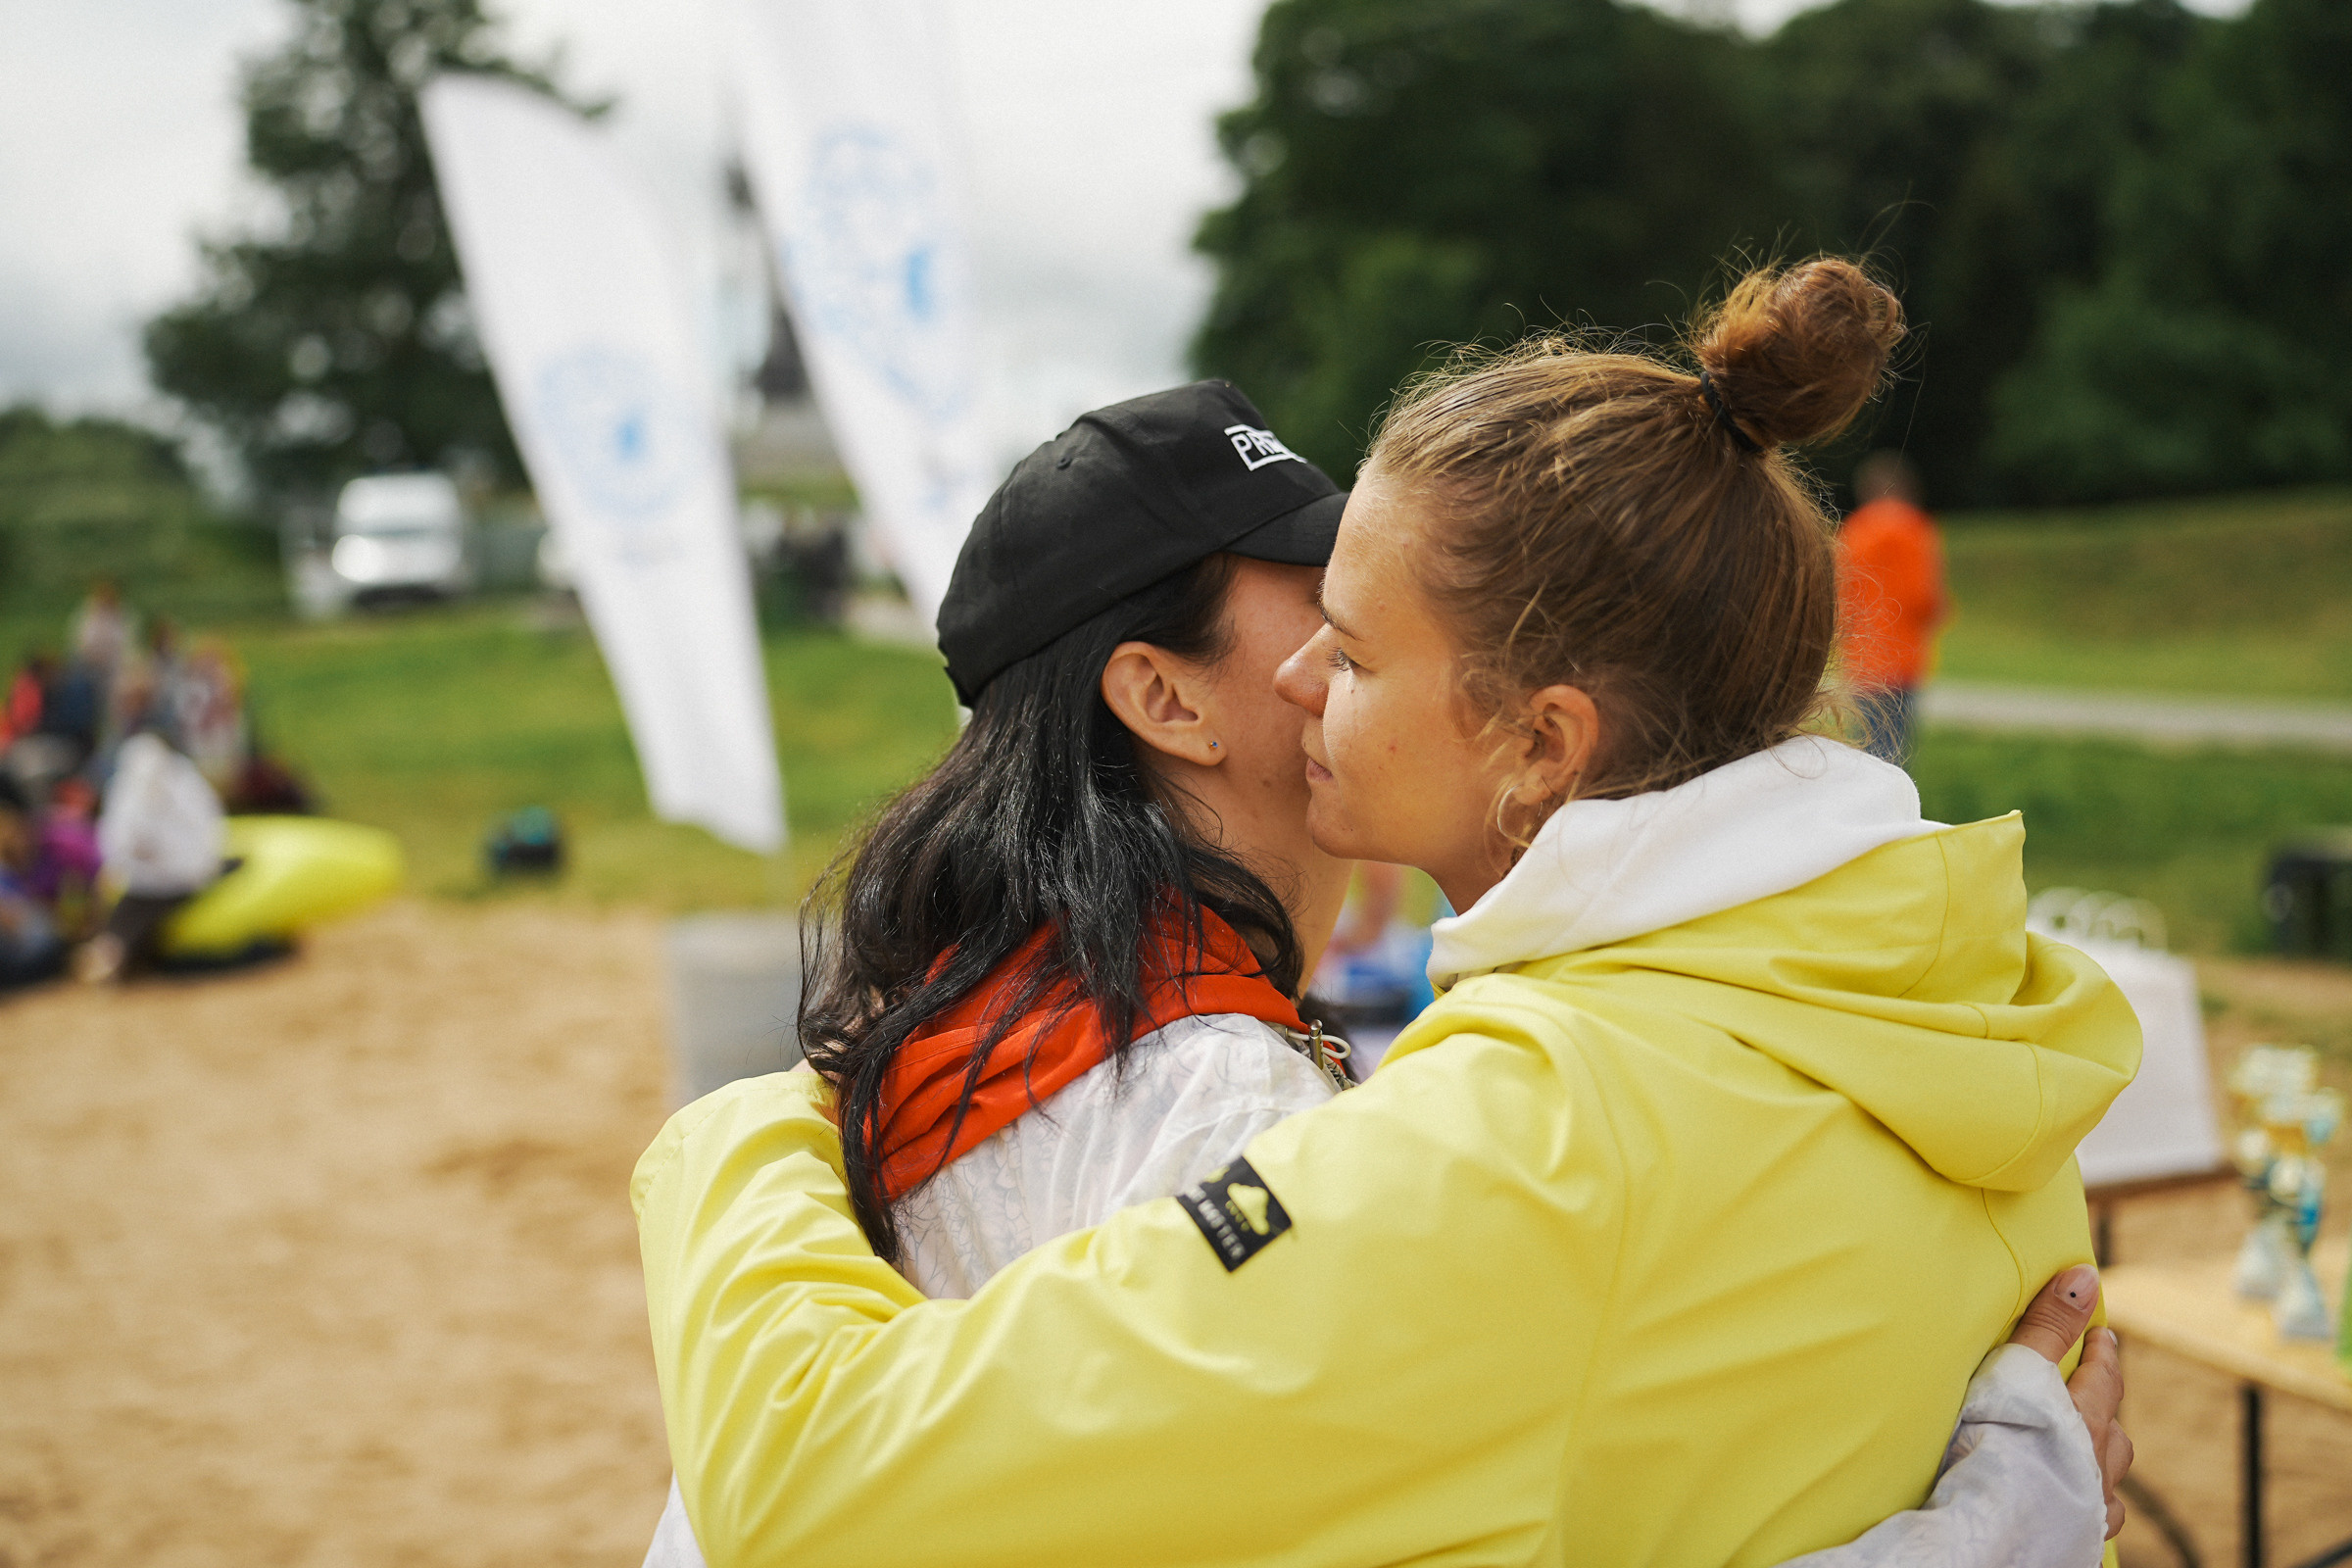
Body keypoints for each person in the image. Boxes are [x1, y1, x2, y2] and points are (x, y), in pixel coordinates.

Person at [633, 262, 2139, 1565]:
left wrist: (748, 1126)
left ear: (1538, 741)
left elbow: (819, 1482)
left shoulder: (1509, 1136)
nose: (1312, 676)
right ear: (1158, 698)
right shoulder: (1979, 1021)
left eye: (1352, 645)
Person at [1838, 451, 1947, 763]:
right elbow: (1924, 599)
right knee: (1894, 757)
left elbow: (1841, 600)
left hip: (1863, 662)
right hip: (1901, 662)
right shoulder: (1914, 527)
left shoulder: (1854, 529)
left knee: (1866, 755)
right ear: (1906, 488)